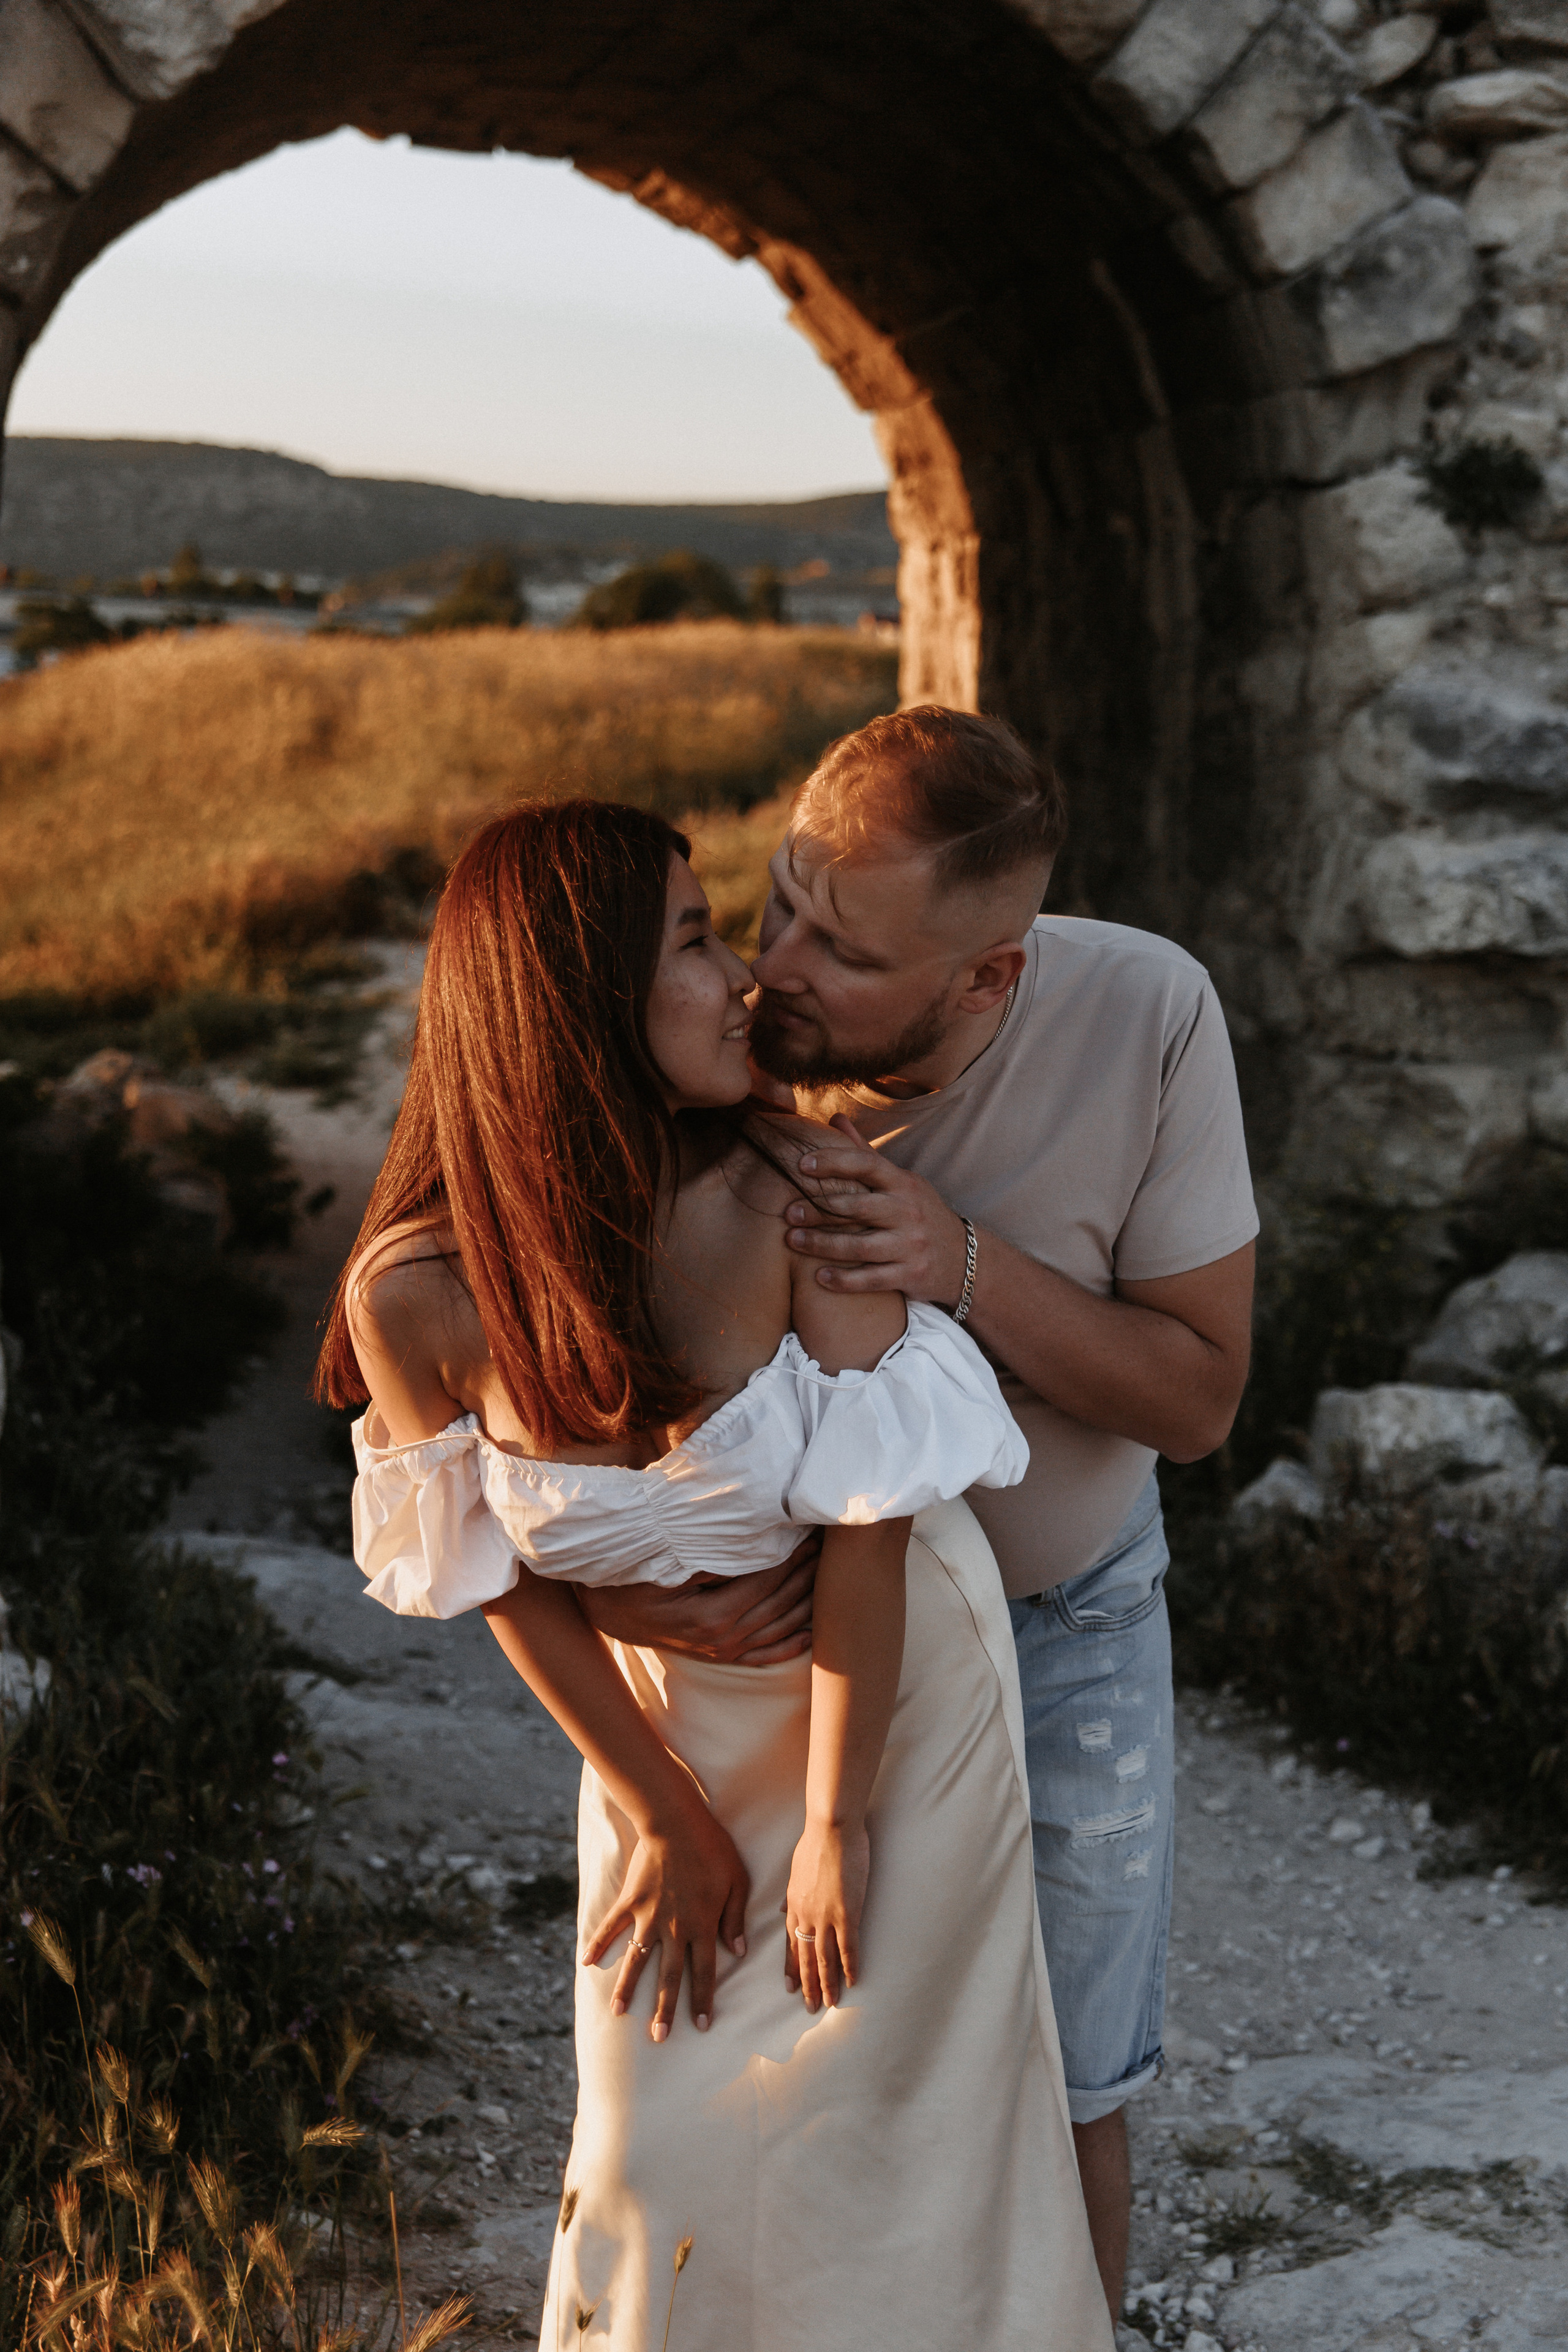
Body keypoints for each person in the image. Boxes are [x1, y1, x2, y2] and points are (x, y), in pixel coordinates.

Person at [315, 799, 1111, 2352]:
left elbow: (871, 1521)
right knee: (652, 2136)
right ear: (576, 998)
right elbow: (493, 1576)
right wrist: (667, 1812)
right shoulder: (416, 1294)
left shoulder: (797, 1192)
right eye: (691, 941)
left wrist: (832, 1822)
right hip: (665, 1734)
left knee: (894, 2122)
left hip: (884, 1699)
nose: (743, 974)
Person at [579, 709, 1258, 2316]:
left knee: (1070, 2081)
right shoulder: (704, 1039)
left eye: (845, 951)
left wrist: (957, 1265)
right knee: (792, 2092)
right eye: (784, 903)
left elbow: (1199, 1399)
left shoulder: (1145, 1013)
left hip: (1072, 1631)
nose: (779, 968)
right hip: (796, 1678)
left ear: (986, 981)